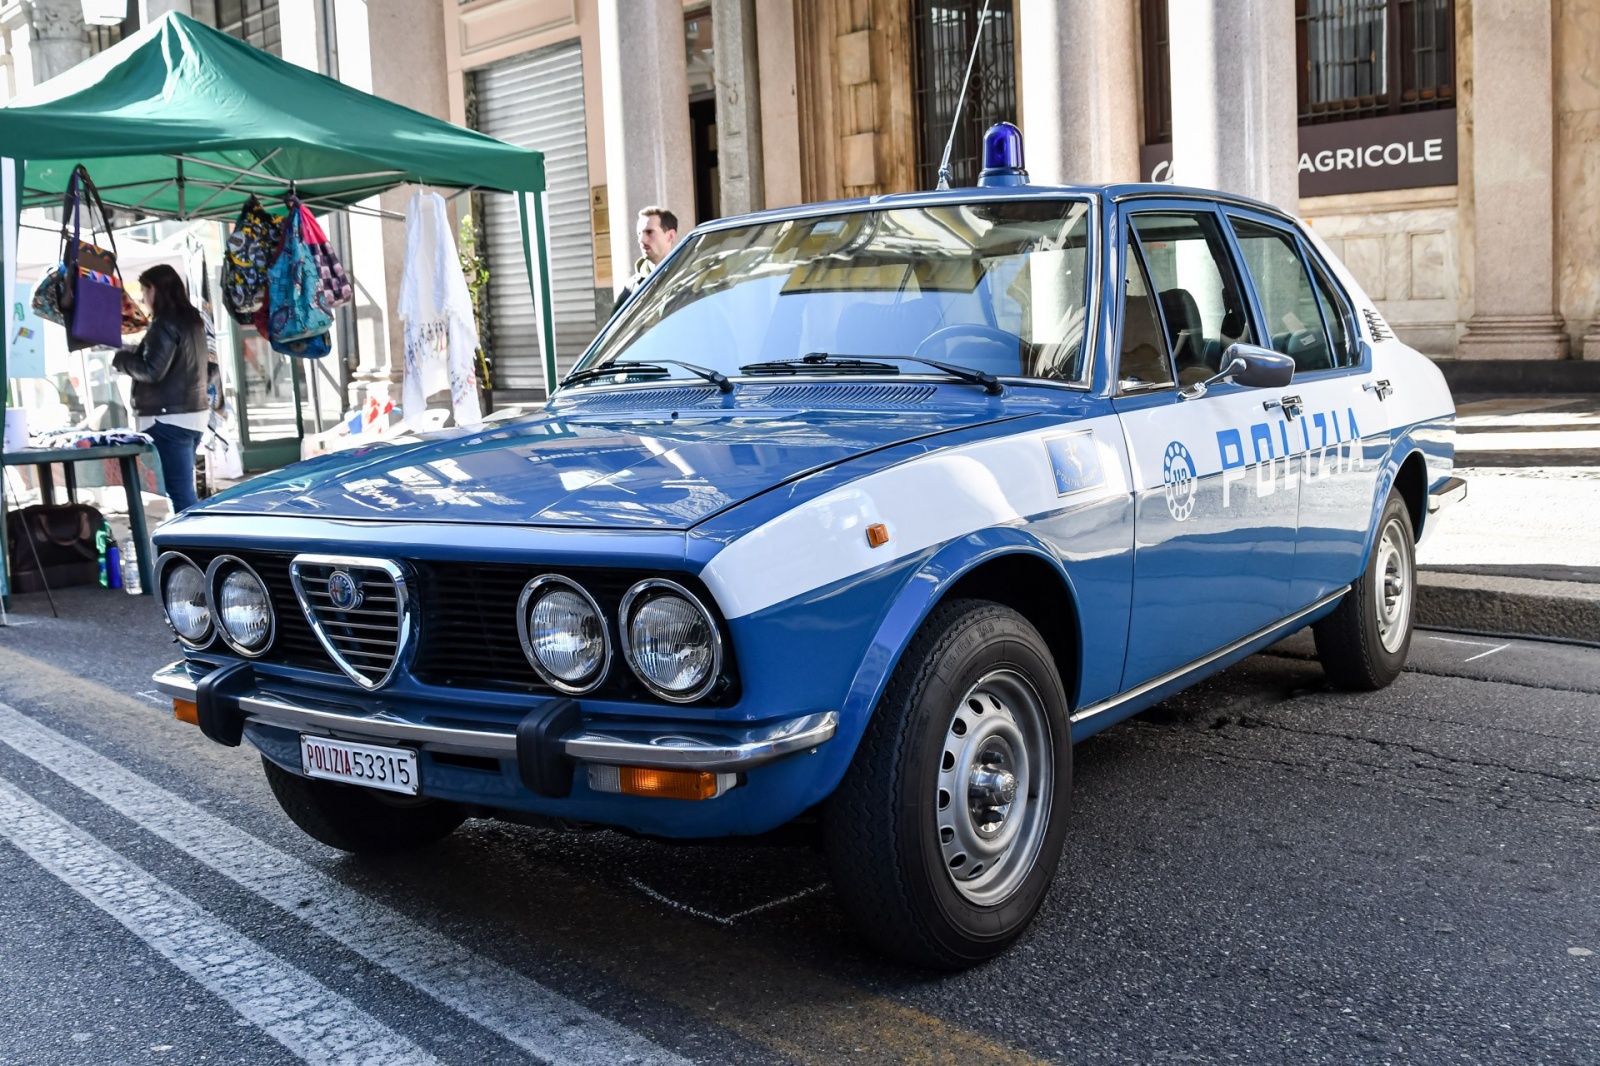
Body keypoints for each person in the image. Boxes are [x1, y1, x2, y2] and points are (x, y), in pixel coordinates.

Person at [113, 264, 209, 513]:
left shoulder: (164, 324)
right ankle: (191, 543)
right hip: (193, 415)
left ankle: (191, 546)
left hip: (168, 418)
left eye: (144, 291)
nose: (143, 299)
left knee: (179, 491)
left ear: (154, 289)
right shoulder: (193, 320)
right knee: (183, 488)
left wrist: (122, 359)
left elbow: (152, 370)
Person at [614, 206, 679, 312]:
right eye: (639, 233)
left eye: (649, 232)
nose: (641, 240)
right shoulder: (631, 288)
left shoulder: (689, 278)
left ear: (670, 236)